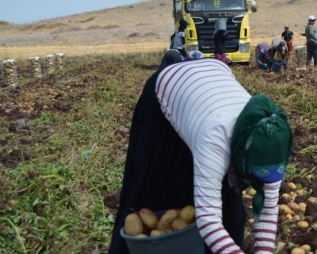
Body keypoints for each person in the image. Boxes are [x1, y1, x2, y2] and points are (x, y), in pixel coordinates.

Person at [109, 59, 293, 254]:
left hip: (213, 80)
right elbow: (209, 221)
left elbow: (268, 207)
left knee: (230, 211)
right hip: (169, 91)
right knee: (155, 194)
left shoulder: (271, 144)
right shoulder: (214, 139)